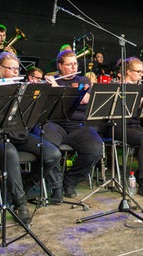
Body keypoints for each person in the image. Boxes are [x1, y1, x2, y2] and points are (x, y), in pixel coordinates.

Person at [0, 53, 62, 224]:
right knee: (10, 152)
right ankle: (20, 203)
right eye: (11, 68)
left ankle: (27, 182)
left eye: (17, 68)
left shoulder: (21, 87)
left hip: (17, 134)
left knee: (52, 154)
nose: (16, 72)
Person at [42, 50, 103, 198]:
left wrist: (57, 88)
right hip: (55, 124)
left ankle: (70, 181)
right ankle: (56, 186)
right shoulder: (52, 81)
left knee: (96, 149)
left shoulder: (82, 81)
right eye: (69, 64)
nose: (74, 67)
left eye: (75, 64)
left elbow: (84, 99)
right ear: (60, 66)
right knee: (49, 149)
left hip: (77, 125)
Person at [110, 57, 143, 197]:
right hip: (117, 125)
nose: (141, 75)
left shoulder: (141, 89)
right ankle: (142, 182)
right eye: (138, 72)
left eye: (142, 72)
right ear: (128, 71)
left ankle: (140, 173)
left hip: (135, 124)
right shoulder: (116, 87)